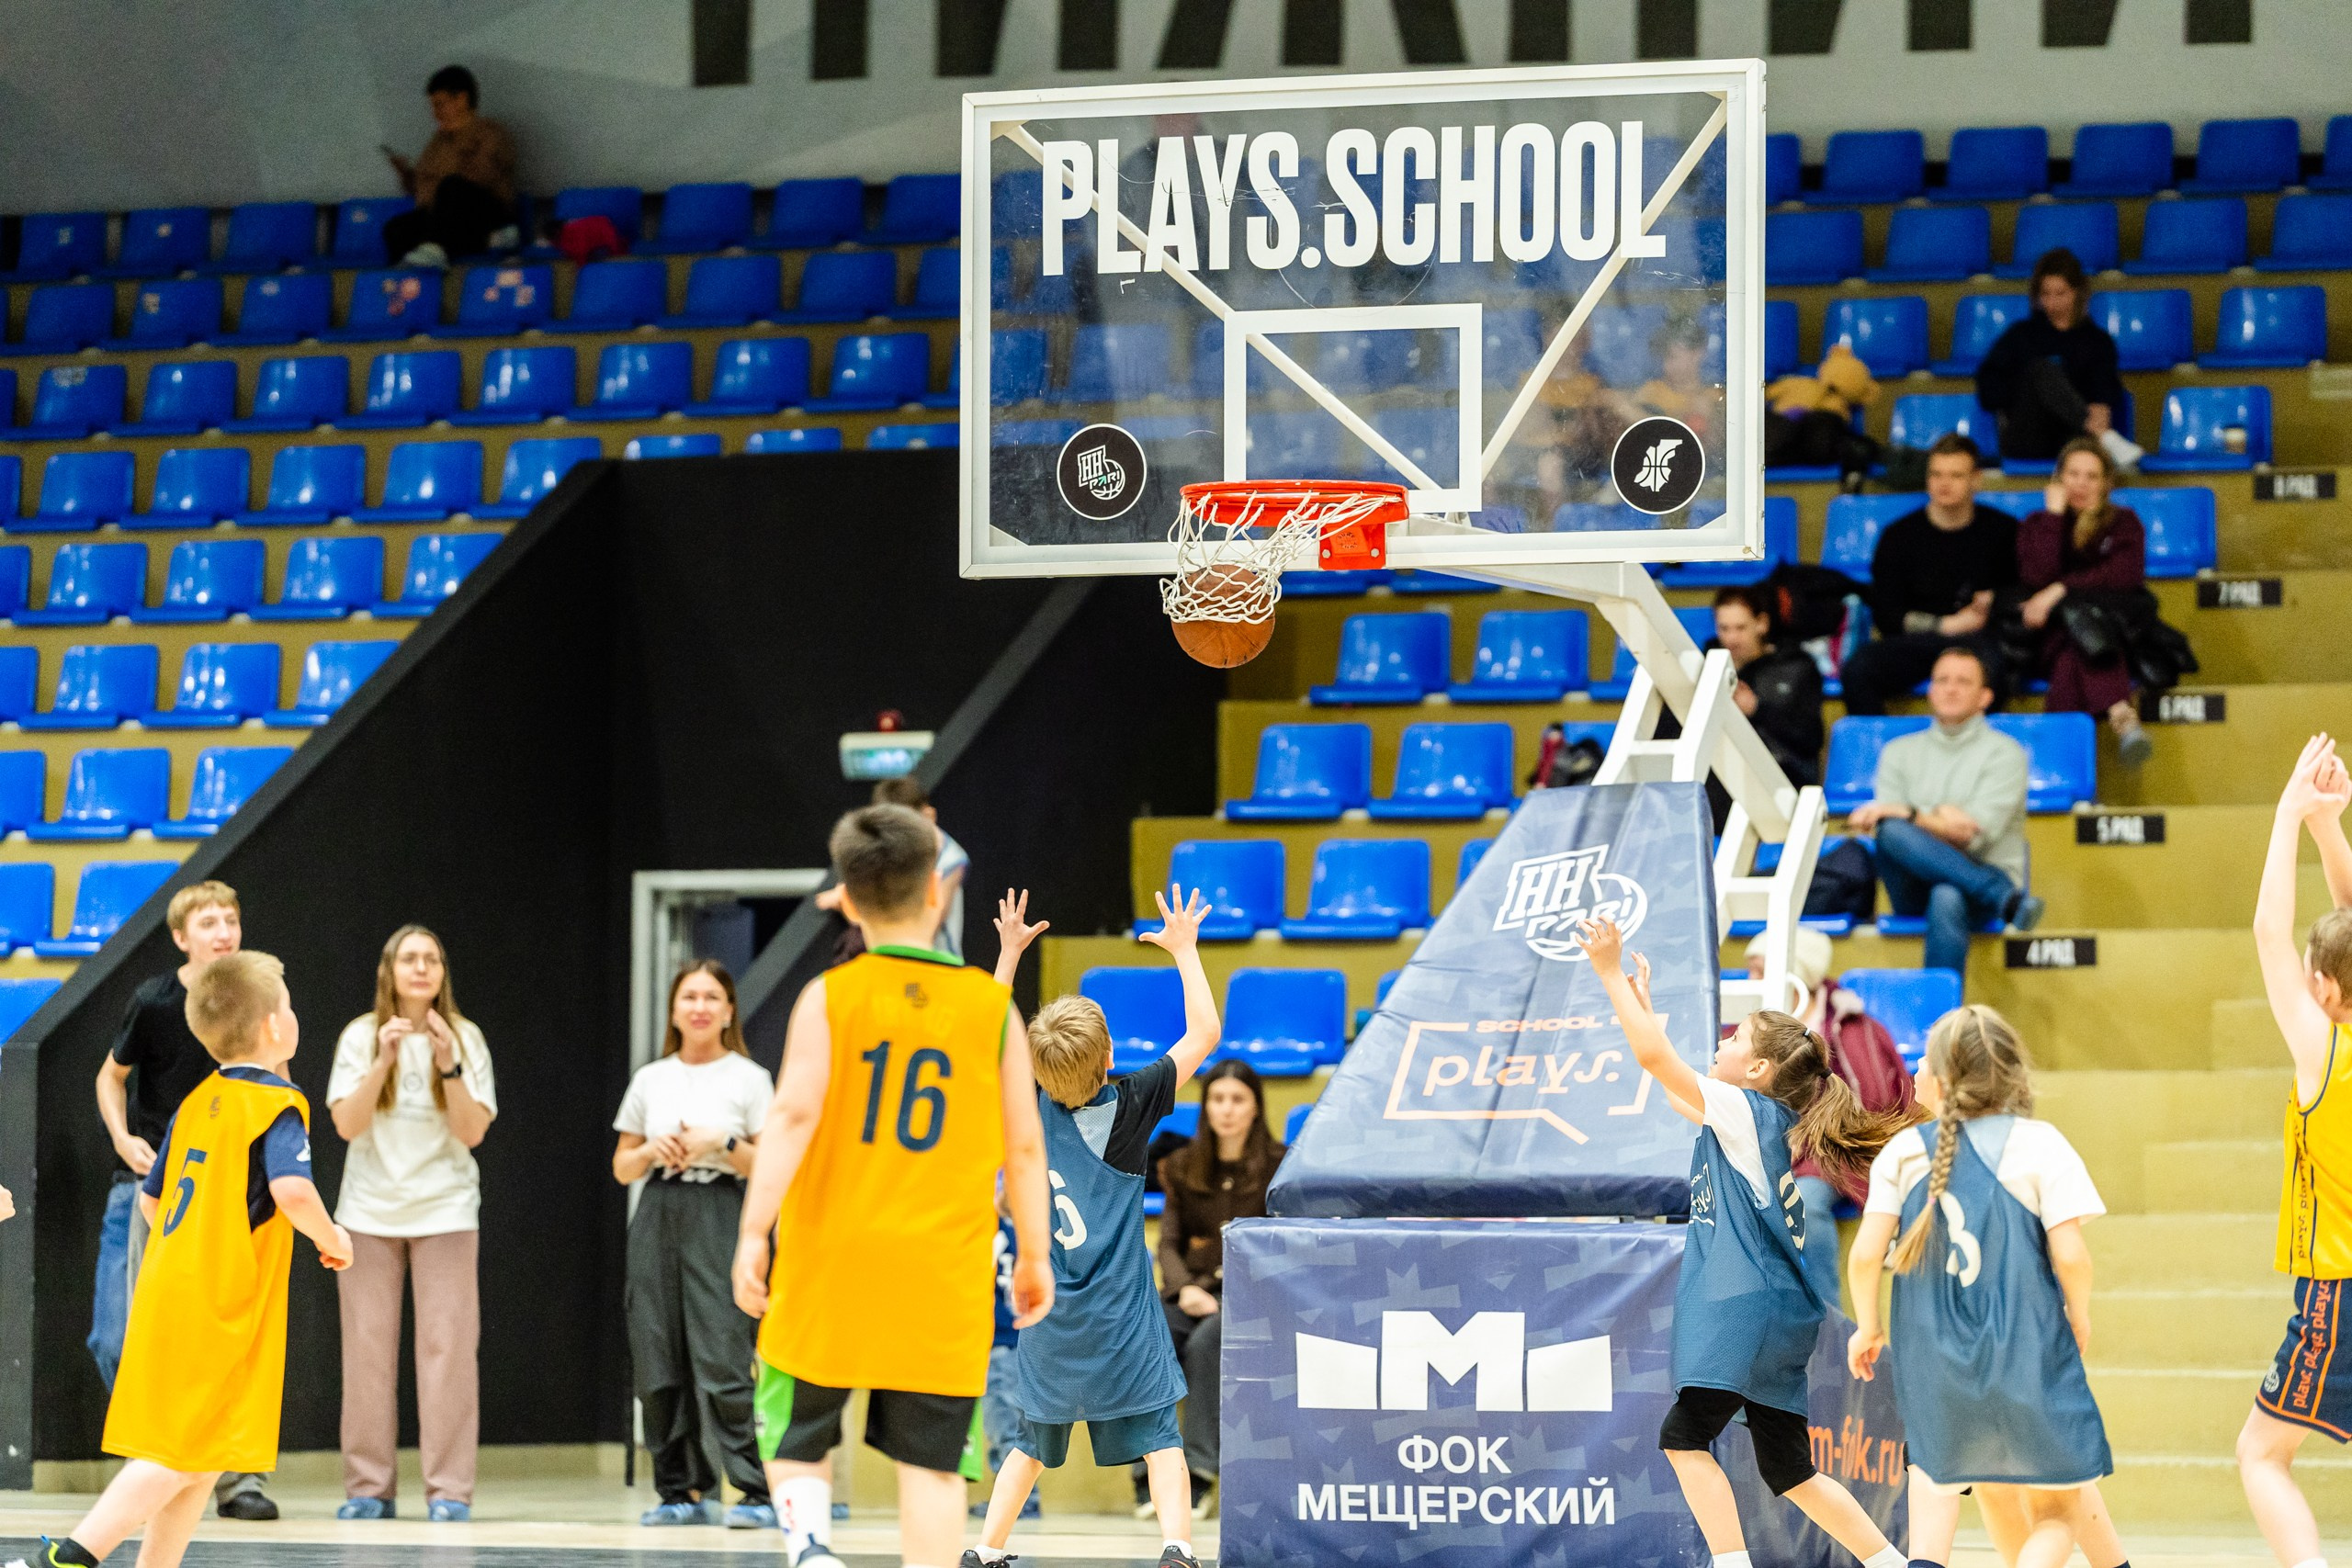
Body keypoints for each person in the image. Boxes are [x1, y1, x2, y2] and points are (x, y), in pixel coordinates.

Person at [731, 804, 1052, 1568]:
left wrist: (752, 1230)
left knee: (794, 1425)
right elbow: (1027, 1144)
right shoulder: (991, 1006)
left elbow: (793, 1115)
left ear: (843, 897)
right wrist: (1035, 1254)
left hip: (830, 1251)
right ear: (936, 893)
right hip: (942, 1265)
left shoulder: (829, 996)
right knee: (935, 1464)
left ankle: (811, 1548)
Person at [1575, 918, 1913, 1568]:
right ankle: (1887, 1561)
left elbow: (1654, 1061)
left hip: (1744, 1308)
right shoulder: (1750, 1118)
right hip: (1779, 1314)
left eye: (1733, 1038)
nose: (1722, 1041)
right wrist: (1642, 1005)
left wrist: (1609, 972)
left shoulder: (1741, 1110)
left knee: (1683, 1436)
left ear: (1755, 1068)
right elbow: (1666, 1080)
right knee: (1790, 1469)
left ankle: (1731, 1562)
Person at [29, 953, 350, 1568]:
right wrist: (333, 1237)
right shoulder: (277, 1103)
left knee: (203, 1457)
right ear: (275, 1029)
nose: (293, 1013)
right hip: (221, 1307)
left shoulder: (196, 1101)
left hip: (169, 1292)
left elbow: (152, 1203)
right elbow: (294, 1192)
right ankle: (71, 1554)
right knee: (178, 1453)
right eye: (286, 1004)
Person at [970, 885, 1218, 1568]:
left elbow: (988, 1036)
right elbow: (1204, 1034)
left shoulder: (1023, 1101)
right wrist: (1184, 948)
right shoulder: (1131, 1104)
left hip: (1049, 1318)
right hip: (1120, 1320)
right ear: (1108, 1057)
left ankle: (986, 1550)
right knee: (1161, 1436)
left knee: (1029, 1442)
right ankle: (1176, 1548)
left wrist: (1009, 954)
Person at [1846, 1006, 2111, 1568]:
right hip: (2022, 1344)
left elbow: (1867, 1253)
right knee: (2060, 1511)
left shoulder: (1903, 1152)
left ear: (1941, 1081)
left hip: (1931, 1354)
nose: (1913, 1068)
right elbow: (2073, 1257)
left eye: (1922, 1061)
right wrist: (2079, 1316)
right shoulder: (2041, 1145)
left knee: (1940, 1516)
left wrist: (1868, 1325)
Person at [88, 881, 277, 1522]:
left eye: (231, 917)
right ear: (181, 936)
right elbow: (109, 1077)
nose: (223, 930)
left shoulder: (256, 999)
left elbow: (271, 1090)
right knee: (117, 1337)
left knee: (229, 1340)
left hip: (229, 1202)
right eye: (208, 920)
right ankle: (160, 1455)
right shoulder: (155, 1000)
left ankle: (230, 1475)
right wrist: (123, 1137)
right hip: (149, 1191)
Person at [327, 925, 496, 1522]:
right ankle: (368, 1487)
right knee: (368, 1352)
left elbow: (472, 1132)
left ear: (443, 972)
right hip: (368, 1211)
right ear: (389, 971)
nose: (422, 968)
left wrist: (449, 1065)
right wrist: (383, 1061)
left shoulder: (466, 1037)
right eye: (410, 958)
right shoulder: (359, 1034)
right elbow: (346, 1124)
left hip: (446, 1207)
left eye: (432, 959)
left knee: (447, 1351)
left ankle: (449, 1489)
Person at [2238, 735, 2352, 1568]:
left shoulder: (2327, 1053)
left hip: (2339, 1285)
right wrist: (2330, 833)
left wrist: (2290, 816)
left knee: (2261, 1452)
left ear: (2324, 991)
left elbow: (2270, 931)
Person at [612, 960, 775, 1529]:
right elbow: (622, 1166)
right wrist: (655, 1150)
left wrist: (721, 1141)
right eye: (690, 997)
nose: (700, 1007)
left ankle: (755, 1492)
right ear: (675, 1010)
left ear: (729, 1009)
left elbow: (770, 1163)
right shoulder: (651, 1078)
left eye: (712, 997)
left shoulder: (749, 1078)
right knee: (657, 1357)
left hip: (720, 1208)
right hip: (659, 1209)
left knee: (724, 1356)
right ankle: (680, 1490)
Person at [1741, 928, 1915, 1306]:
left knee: (1803, 1198)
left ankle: (1826, 1318)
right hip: (1764, 1147)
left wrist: (1808, 1137)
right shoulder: (1746, 1028)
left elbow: (1874, 1102)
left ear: (1794, 973)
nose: (1750, 982)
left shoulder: (1850, 1026)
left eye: (1759, 970)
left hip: (1830, 1151)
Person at [1141, 1058, 1283, 1517]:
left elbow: (1273, 1245)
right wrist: (1185, 1288)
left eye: (1237, 1100)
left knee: (1206, 1342)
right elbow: (1167, 1244)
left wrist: (1215, 1279)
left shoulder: (1280, 1166)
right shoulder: (1181, 1165)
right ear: (1205, 1107)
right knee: (1153, 1332)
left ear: (1256, 1108)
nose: (1226, 1109)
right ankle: (1149, 1470)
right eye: (1217, 1099)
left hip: (1253, 1296)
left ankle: (1199, 1473)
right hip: (1191, 1293)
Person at [1847, 648, 2044, 976]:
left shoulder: (2006, 754)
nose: (1951, 689)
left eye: (1963, 682)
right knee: (1891, 831)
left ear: (1985, 697)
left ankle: (1941, 1022)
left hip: (1985, 867)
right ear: (1930, 690)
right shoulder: (1898, 752)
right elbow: (1891, 828)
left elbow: (1973, 839)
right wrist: (1935, 815)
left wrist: (1913, 814)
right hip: (1913, 884)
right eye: (1942, 680)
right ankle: (2003, 897)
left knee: (1947, 894)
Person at [1838, 434, 2018, 718]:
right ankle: (1881, 757)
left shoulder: (2003, 531)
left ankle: (1975, 757)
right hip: (1917, 642)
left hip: (1978, 641)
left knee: (1995, 670)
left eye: (1956, 475)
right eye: (1936, 474)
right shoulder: (1898, 536)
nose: (1943, 483)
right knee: (1859, 669)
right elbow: (1886, 613)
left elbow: (2020, 592)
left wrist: (1995, 600)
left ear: (1976, 480)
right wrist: (1946, 625)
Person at [2015, 436, 2154, 766]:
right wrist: (2053, 519)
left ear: (2106, 483)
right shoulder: (2038, 523)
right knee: (2077, 636)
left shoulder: (2123, 523)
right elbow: (2035, 577)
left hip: (2109, 632)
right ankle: (2121, 713)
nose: (2080, 484)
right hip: (2045, 637)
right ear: (2058, 478)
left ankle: (2054, 762)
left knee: (2076, 649)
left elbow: (2123, 576)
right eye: (2073, 474)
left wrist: (2060, 590)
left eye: (2091, 476)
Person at [1975, 248, 2142, 471]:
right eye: (2045, 294)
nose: (2052, 303)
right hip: (2028, 436)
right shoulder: (2021, 335)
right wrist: (2027, 391)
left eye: (2060, 293)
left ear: (2077, 292)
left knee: (2091, 412)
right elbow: (1988, 389)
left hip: (2074, 438)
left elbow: (2105, 390)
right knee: (2041, 370)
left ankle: (2098, 433)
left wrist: (2098, 407)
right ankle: (2106, 438)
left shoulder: (2097, 341)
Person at [818, 777, 971, 962]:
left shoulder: (950, 860)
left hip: (940, 965)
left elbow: (926, 929)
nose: (896, 839)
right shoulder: (891, 857)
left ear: (928, 816)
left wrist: (848, 903)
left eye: (904, 828)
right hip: (893, 965)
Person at [379, 65, 517, 269]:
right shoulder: (438, 142)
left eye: (440, 105)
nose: (436, 113)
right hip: (443, 217)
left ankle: (437, 248)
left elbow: (478, 177)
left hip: (484, 212)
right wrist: (407, 174)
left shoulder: (490, 133)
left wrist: (458, 143)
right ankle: (408, 276)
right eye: (433, 106)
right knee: (396, 228)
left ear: (461, 99)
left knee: (452, 188)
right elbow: (421, 188)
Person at [1713, 585, 1824, 787]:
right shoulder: (1708, 667)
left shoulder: (1798, 668)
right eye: (1724, 628)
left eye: (1740, 628)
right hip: (1724, 771)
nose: (1731, 639)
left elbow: (1810, 739)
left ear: (1762, 623)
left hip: (1784, 775)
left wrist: (1757, 709)